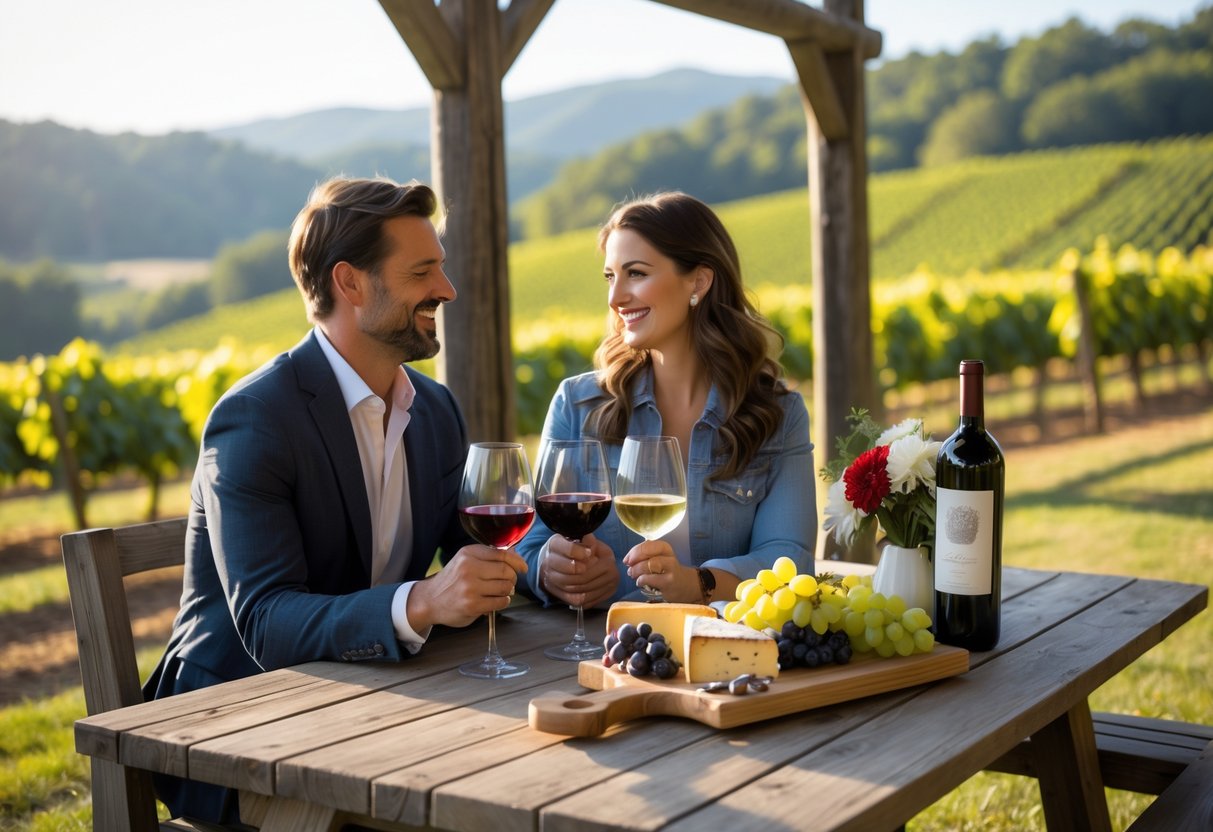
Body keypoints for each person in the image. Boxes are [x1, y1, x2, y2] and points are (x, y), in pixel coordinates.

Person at [144, 177, 526, 823]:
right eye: (423, 270)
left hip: (376, 700)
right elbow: (265, 620)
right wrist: (424, 599)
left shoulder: (432, 410)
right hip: (236, 723)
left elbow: (474, 556)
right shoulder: (256, 418)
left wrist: (544, 567)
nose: (446, 289)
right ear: (350, 284)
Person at [517, 191, 815, 610]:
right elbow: (528, 551)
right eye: (609, 277)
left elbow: (792, 559)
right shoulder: (577, 405)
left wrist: (698, 584)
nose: (615, 297)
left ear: (699, 281)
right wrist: (555, 571)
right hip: (606, 656)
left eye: (635, 273)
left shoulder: (777, 415)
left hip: (729, 657)